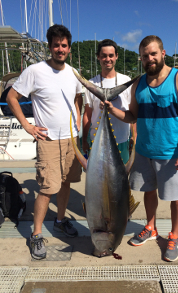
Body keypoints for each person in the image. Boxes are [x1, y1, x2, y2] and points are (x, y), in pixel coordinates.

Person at [103, 35, 178, 262]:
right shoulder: (139, 84)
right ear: (141, 58)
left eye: (153, 54)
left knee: (177, 196)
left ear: (163, 53)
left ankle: (174, 236)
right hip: (144, 151)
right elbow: (132, 115)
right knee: (148, 191)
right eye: (145, 56)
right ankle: (150, 227)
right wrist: (111, 110)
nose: (150, 59)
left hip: (171, 152)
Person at [6, 24, 82, 260]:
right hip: (48, 140)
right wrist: (27, 126)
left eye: (64, 45)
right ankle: (37, 234)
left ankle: (60, 220)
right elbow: (11, 97)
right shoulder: (34, 71)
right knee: (48, 189)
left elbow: (78, 99)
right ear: (50, 47)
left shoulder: (73, 72)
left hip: (72, 139)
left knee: (67, 184)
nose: (60, 49)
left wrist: (78, 125)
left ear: (69, 48)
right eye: (56, 45)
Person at [83, 39, 135, 164]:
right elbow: (87, 114)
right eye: (104, 56)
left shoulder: (126, 81)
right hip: (97, 142)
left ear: (116, 56)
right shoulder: (91, 84)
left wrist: (134, 136)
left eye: (111, 55)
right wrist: (84, 139)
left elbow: (132, 113)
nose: (108, 59)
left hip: (122, 140)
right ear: (98, 57)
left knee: (120, 180)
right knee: (99, 181)